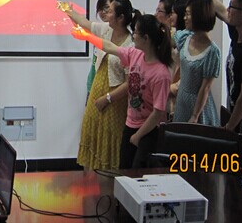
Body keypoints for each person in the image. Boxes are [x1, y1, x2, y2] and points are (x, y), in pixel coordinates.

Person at [68, 13, 172, 169]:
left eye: (136, 32)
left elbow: (158, 112)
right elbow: (110, 47)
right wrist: (87, 36)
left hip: (148, 130)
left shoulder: (161, 74)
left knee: (139, 172)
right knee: (124, 169)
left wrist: (138, 135)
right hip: (130, 124)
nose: (133, 35)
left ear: (146, 38)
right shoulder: (135, 54)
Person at [184, 0, 242, 158]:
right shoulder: (238, 31)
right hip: (238, 122)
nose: (228, 9)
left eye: (232, 6)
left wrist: (229, 128)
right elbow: (221, 10)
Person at [60, 0, 136, 170]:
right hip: (97, 89)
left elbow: (129, 83)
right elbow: (85, 24)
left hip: (114, 100)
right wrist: (68, 10)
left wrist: (107, 98)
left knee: (110, 137)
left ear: (121, 18)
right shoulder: (106, 30)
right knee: (91, 129)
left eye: (111, 11)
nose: (106, 14)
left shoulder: (130, 45)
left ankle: (110, 176)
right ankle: (95, 175)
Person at [171, 0, 220, 125]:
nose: (184, 18)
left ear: (199, 16)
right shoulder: (184, 38)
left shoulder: (212, 51)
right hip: (182, 100)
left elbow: (205, 87)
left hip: (198, 106)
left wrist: (195, 115)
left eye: (188, 14)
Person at [84, 0, 115, 102]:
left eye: (107, 7)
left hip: (108, 87)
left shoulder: (118, 32)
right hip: (93, 81)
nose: (103, 12)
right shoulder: (100, 30)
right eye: (100, 9)